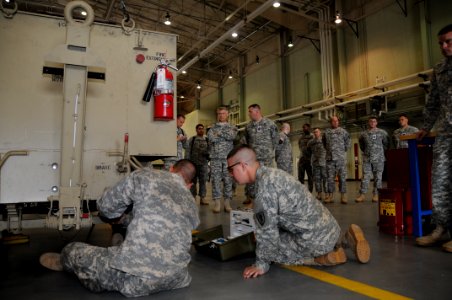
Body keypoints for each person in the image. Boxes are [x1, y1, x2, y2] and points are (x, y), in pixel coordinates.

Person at [39, 160, 200, 297]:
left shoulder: (145, 175)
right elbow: (165, 222)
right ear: (189, 184)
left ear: (171, 168)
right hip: (178, 278)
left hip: (137, 279)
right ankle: (121, 249)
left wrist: (116, 214)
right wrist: (125, 220)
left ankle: (64, 261)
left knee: (74, 250)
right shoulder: (191, 202)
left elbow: (105, 208)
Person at [226, 145, 370, 278]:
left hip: (315, 241)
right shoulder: (274, 173)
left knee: (266, 245)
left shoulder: (264, 191)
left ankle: (324, 258)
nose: (230, 175)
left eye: (230, 170)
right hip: (330, 227)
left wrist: (261, 265)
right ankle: (345, 239)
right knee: (285, 232)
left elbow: (268, 235)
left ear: (243, 165)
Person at [415, 24, 452, 253]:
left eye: (448, 41)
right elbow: (433, 102)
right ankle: (442, 228)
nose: (444, 46)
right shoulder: (439, 69)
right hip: (446, 133)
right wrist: (425, 127)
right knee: (440, 182)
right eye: (441, 43)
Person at [241, 104, 279, 205]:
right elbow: (246, 141)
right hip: (253, 160)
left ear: (257, 111)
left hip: (266, 159)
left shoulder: (270, 124)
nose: (249, 114)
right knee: (252, 181)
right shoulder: (248, 126)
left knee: (267, 180)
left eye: (250, 111)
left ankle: (268, 202)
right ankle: (253, 202)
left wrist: (268, 151)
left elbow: (275, 139)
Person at [207, 106, 238, 213]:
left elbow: (232, 136)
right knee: (215, 180)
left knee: (228, 180)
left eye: (223, 113)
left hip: (228, 158)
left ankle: (227, 203)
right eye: (219, 113)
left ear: (228, 114)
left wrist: (219, 134)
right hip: (215, 158)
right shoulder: (212, 127)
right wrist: (224, 135)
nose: (221, 115)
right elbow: (210, 138)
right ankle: (217, 203)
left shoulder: (232, 127)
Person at [356, 117, 389, 203]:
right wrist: (368, 151)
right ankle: (362, 195)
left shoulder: (382, 133)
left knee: (378, 177)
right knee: (365, 177)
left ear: (376, 122)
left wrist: (379, 152)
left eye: (374, 121)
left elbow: (386, 144)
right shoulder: (363, 134)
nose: (372, 123)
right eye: (370, 121)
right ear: (368, 122)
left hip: (379, 158)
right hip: (367, 158)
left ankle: (376, 194)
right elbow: (362, 145)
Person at [322, 116, 351, 204]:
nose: (335, 122)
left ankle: (343, 195)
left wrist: (342, 151)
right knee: (330, 178)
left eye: (336, 121)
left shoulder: (343, 131)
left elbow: (348, 142)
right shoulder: (326, 132)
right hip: (330, 159)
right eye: (333, 121)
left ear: (338, 122)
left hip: (340, 159)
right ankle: (330, 196)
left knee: (342, 177)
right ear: (331, 122)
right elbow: (324, 143)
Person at [186, 123, 209, 205]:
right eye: (199, 128)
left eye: (202, 129)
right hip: (193, 164)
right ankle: (193, 197)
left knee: (203, 181)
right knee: (193, 182)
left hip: (203, 164)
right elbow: (188, 151)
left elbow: (210, 151)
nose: (201, 130)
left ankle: (203, 198)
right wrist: (187, 163)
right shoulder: (192, 139)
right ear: (196, 130)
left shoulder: (207, 139)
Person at [307, 127, 327, 201]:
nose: (316, 133)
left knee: (325, 179)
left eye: (317, 132)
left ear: (320, 133)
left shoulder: (324, 140)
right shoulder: (311, 142)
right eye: (314, 132)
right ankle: (319, 194)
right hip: (315, 163)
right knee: (317, 179)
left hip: (323, 162)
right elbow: (308, 150)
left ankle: (327, 194)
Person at [297, 123, 314, 192]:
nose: (304, 129)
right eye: (303, 128)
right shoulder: (301, 138)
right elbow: (300, 146)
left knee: (310, 176)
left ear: (309, 128)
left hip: (310, 159)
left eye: (306, 127)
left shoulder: (312, 136)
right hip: (302, 159)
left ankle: (310, 191)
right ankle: (302, 191)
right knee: (300, 176)